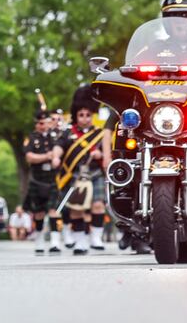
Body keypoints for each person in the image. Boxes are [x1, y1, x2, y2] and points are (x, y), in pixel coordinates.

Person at [58, 87, 112, 255]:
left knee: (98, 206)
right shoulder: (68, 134)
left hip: (95, 174)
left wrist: (100, 154)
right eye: (81, 115)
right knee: (76, 208)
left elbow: (108, 153)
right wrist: (54, 156)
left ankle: (96, 238)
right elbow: (59, 148)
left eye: (88, 115)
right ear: (76, 115)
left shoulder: (100, 133)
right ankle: (80, 241)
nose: (85, 118)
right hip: (75, 175)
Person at [22, 103, 64, 255]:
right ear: (36, 123)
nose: (43, 125)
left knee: (53, 211)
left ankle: (55, 241)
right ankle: (39, 240)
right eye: (40, 123)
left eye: (45, 122)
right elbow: (30, 157)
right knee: (38, 213)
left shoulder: (56, 137)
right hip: (37, 180)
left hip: (52, 179)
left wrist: (56, 156)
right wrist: (47, 156)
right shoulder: (31, 139)